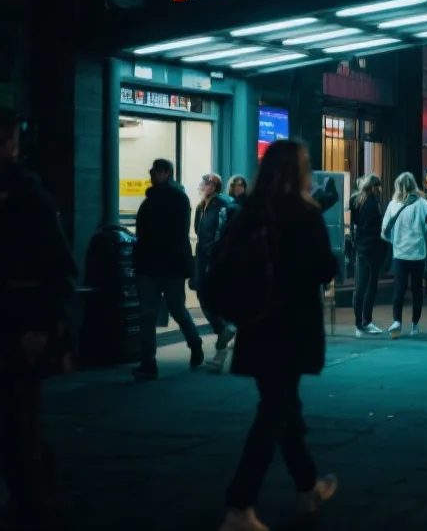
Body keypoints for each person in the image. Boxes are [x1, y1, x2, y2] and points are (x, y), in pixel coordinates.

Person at [217, 139, 338, 531]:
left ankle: (308, 486)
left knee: (283, 407)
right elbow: (324, 267)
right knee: (274, 414)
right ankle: (240, 504)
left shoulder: (248, 211)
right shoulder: (304, 214)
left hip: (256, 323)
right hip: (292, 326)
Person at [0, 108, 77, 529]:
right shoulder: (22, 190)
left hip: (14, 325)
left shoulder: (24, 192)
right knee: (17, 424)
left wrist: (42, 325)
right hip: (14, 321)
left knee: (18, 425)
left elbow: (54, 265)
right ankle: (35, 505)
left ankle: (37, 507)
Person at [132, 158, 200, 381]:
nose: (151, 174)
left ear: (166, 173)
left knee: (170, 309)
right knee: (156, 312)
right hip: (161, 265)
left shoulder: (171, 198)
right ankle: (149, 362)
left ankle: (192, 343)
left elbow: (172, 233)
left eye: (155, 171)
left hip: (164, 264)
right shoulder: (162, 198)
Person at [193, 173, 237, 372]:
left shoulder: (222, 205)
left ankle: (222, 343)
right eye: (203, 183)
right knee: (203, 296)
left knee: (212, 297)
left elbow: (224, 232)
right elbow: (198, 231)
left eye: (206, 183)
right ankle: (224, 331)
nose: (203, 186)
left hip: (215, 257)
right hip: (202, 257)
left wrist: (215, 251)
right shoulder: (201, 207)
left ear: (215, 186)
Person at [382, 172, 427, 338]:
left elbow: (384, 231)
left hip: (400, 253)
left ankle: (397, 321)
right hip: (418, 253)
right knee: (417, 290)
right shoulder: (423, 204)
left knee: (400, 288)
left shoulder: (393, 204)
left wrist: (395, 241)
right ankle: (415, 324)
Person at [349, 175, 385, 336]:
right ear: (373, 187)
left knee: (360, 286)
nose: (380, 190)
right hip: (371, 248)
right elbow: (375, 226)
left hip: (360, 247)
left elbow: (355, 224)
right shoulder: (371, 203)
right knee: (370, 285)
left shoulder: (356, 201)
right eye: (378, 187)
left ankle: (359, 323)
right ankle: (366, 321)